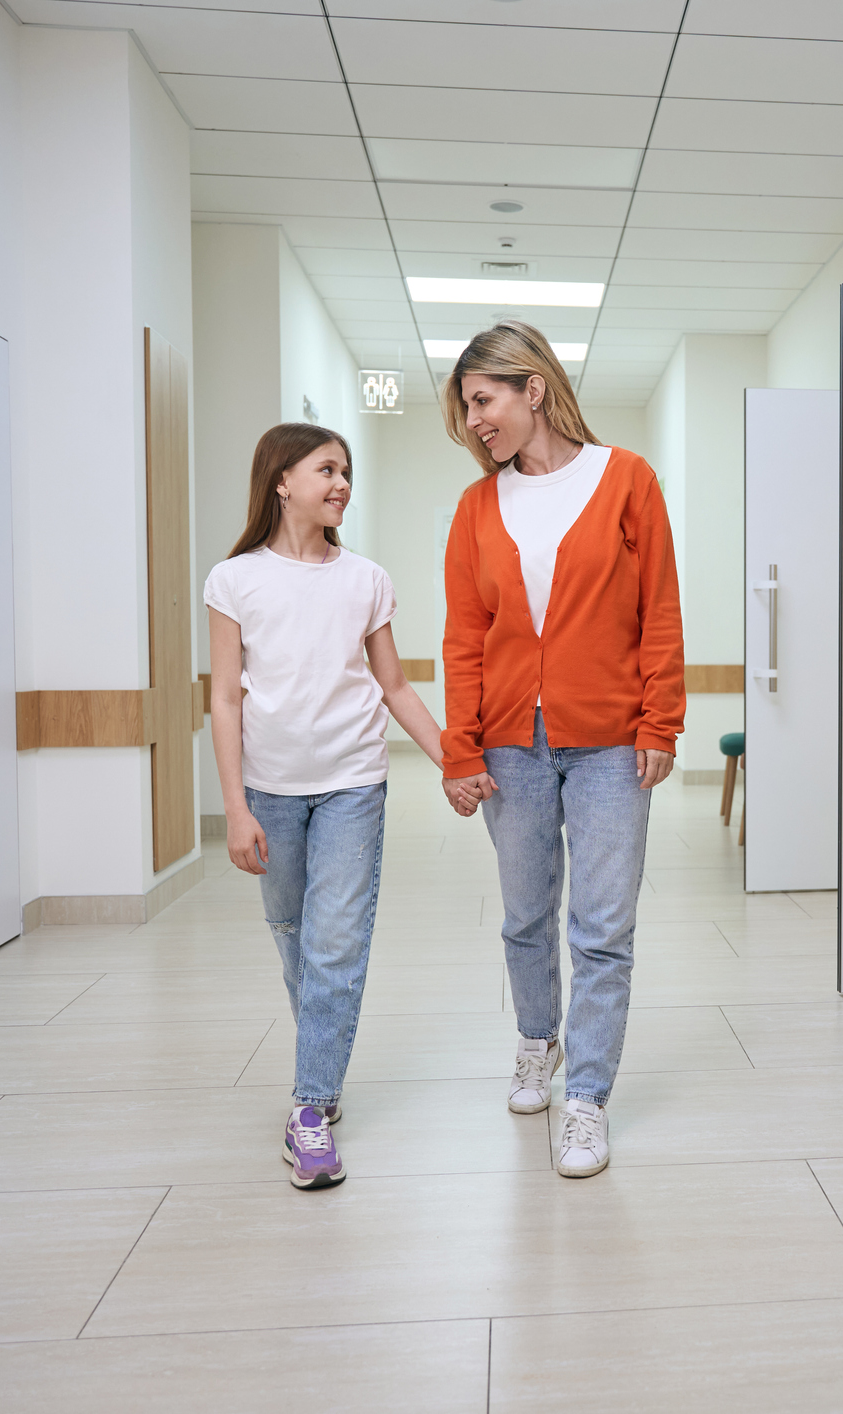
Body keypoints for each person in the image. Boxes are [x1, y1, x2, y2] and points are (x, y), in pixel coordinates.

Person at [438, 321, 684, 1178]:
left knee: (603, 927)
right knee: (525, 915)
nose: (474, 421)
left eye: (483, 400)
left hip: (611, 740)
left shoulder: (627, 481)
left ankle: (586, 1098)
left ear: (531, 390)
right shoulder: (477, 507)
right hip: (511, 744)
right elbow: (465, 636)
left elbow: (658, 606)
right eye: (466, 407)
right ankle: (534, 1042)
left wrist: (661, 721)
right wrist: (458, 747)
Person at [205, 423, 465, 1190]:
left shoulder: (367, 579)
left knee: (334, 946)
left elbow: (394, 687)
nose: (341, 482)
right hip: (268, 791)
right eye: (326, 469)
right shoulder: (235, 580)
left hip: (354, 781)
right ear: (281, 480)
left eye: (346, 471)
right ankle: (321, 1059)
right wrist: (233, 807)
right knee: (294, 933)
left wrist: (455, 757)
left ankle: (309, 1108)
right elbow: (223, 698)